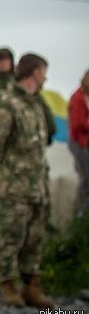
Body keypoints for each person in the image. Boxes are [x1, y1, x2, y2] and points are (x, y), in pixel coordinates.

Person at [0, 53, 55, 309]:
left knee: (35, 237)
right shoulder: (9, 103)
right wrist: (3, 176)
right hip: (15, 185)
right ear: (35, 72)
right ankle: (8, 287)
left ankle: (32, 287)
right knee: (11, 235)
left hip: (37, 184)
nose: (45, 77)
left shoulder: (35, 104)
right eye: (43, 71)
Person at [67, 69, 89, 217]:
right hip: (79, 142)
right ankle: (80, 212)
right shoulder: (78, 98)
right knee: (86, 178)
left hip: (84, 142)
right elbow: (77, 124)